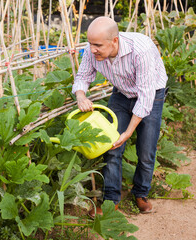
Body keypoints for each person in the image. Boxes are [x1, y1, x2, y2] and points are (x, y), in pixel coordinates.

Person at [72, 16, 167, 217]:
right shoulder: (93, 51)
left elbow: (145, 97)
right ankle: (111, 200)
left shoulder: (140, 50)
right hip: (121, 94)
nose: (92, 49)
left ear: (114, 41)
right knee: (112, 147)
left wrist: (128, 132)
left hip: (151, 95)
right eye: (90, 44)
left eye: (97, 45)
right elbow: (83, 77)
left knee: (146, 151)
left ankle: (140, 193)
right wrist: (81, 96)